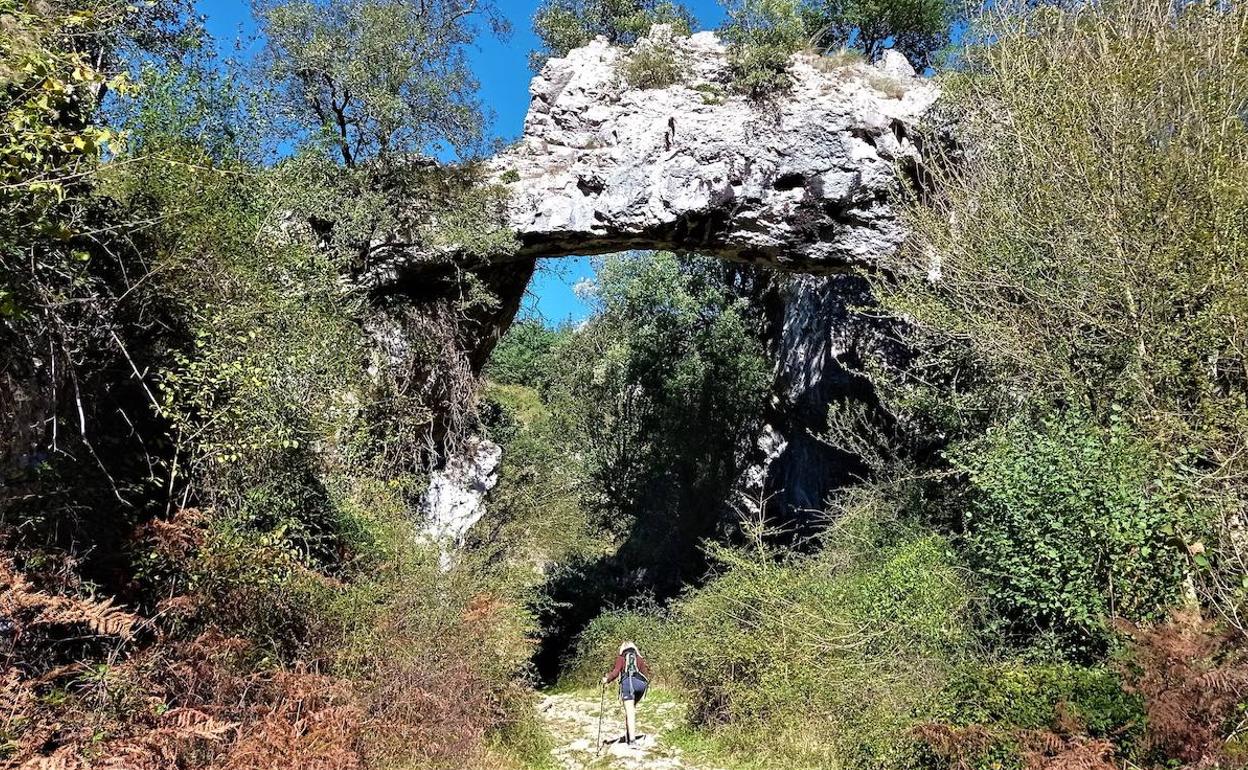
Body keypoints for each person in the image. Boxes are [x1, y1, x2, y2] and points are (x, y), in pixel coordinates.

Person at [602, 640, 650, 745]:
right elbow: (646, 675)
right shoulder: (639, 658)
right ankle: (629, 735)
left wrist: (607, 679)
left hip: (627, 684)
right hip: (640, 686)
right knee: (631, 710)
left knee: (630, 712)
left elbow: (615, 673)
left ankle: (632, 740)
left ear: (622, 649)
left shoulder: (621, 658)